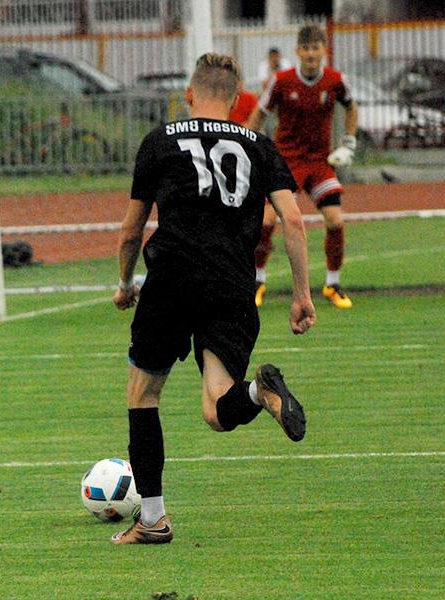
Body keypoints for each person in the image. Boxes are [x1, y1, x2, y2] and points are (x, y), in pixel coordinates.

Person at [111, 53, 316, 545]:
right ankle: (258, 393)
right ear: (238, 98)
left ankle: (153, 520)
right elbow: (293, 220)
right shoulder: (260, 147)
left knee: (143, 395)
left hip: (172, 278)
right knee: (217, 407)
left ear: (189, 94)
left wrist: (125, 283)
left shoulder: (160, 142)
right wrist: (302, 295)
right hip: (231, 284)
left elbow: (132, 230)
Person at [246, 25, 359, 310]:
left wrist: (349, 142)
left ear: (324, 50)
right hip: (286, 162)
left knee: (336, 221)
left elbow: (351, 107)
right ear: (297, 51)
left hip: (320, 162)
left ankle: (332, 284)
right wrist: (247, 145)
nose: (310, 54)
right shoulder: (281, 81)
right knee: (266, 222)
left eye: (315, 48)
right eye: (305, 48)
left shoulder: (336, 80)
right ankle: (257, 280)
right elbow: (259, 113)